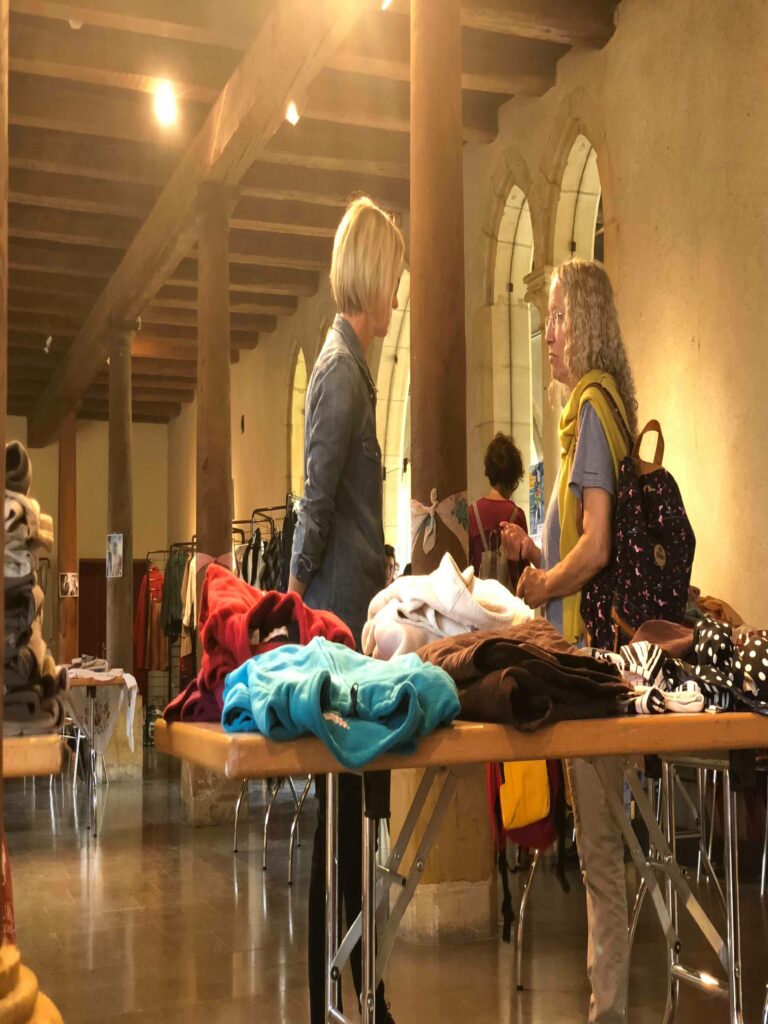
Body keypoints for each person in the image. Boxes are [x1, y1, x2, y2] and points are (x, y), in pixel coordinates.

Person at [501, 258, 638, 1024]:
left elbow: (597, 545)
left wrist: (544, 583)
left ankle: (607, 1008)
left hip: (591, 662)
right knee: (604, 849)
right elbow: (576, 542)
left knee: (602, 856)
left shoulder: (590, 408)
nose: (548, 332)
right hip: (593, 653)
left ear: (583, 321)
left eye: (557, 317)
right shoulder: (597, 409)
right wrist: (537, 552)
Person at [288, 195, 404, 1024]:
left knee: (354, 828)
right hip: (333, 625)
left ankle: (360, 995)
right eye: (393, 280)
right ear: (371, 277)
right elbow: (316, 505)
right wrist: (293, 610)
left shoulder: (352, 369)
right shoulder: (339, 372)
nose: (397, 298)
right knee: (339, 830)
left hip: (351, 619)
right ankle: (337, 998)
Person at [468, 432, 528, 590]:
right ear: (515, 476)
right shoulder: (517, 515)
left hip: (478, 599)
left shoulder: (471, 513)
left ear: (488, 471)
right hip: (509, 600)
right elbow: (524, 570)